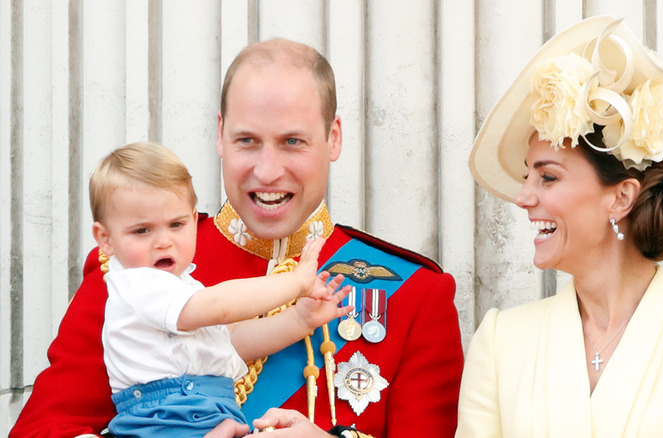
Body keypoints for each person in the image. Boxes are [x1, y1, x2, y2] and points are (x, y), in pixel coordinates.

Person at [11, 38, 464, 438]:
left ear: (333, 138)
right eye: (247, 140)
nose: (267, 171)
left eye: (292, 142)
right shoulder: (137, 264)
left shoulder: (413, 294)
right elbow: (42, 430)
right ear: (220, 135)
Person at [457, 16, 663, 437]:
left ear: (621, 197)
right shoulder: (500, 341)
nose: (523, 197)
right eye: (527, 177)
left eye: (547, 177)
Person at [88, 142, 349, 437]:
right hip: (167, 419)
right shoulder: (138, 284)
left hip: (198, 414)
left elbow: (232, 341)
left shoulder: (181, 286)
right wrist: (295, 283)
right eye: (142, 230)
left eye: (176, 224)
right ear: (105, 239)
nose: (164, 241)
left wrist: (299, 321)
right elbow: (218, 306)